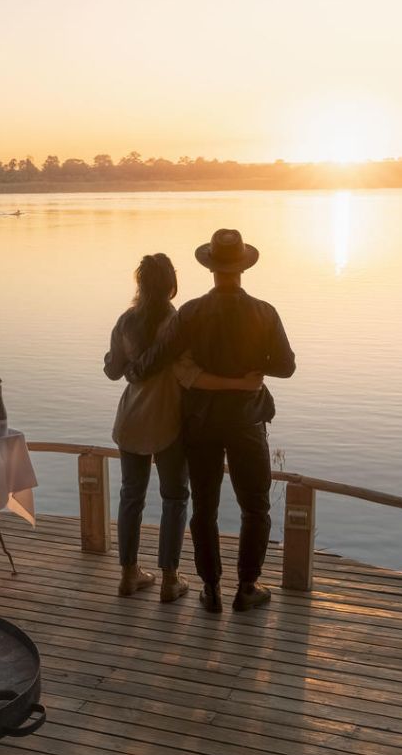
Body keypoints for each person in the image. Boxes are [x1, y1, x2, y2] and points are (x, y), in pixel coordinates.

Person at [103, 253, 260, 603]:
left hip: (131, 421)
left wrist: (127, 364)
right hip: (169, 423)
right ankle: (170, 579)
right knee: (174, 499)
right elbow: (188, 375)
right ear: (172, 285)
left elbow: (113, 371)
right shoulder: (180, 326)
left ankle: (128, 575)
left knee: (132, 497)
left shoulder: (126, 322)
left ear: (140, 285)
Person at [173, 229, 295, 613]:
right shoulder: (263, 311)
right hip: (246, 420)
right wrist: (255, 368)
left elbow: (175, 363)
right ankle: (247, 586)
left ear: (210, 268)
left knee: (204, 507)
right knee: (255, 506)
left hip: (201, 420)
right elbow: (287, 367)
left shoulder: (190, 312)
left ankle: (210, 590)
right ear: (243, 268)